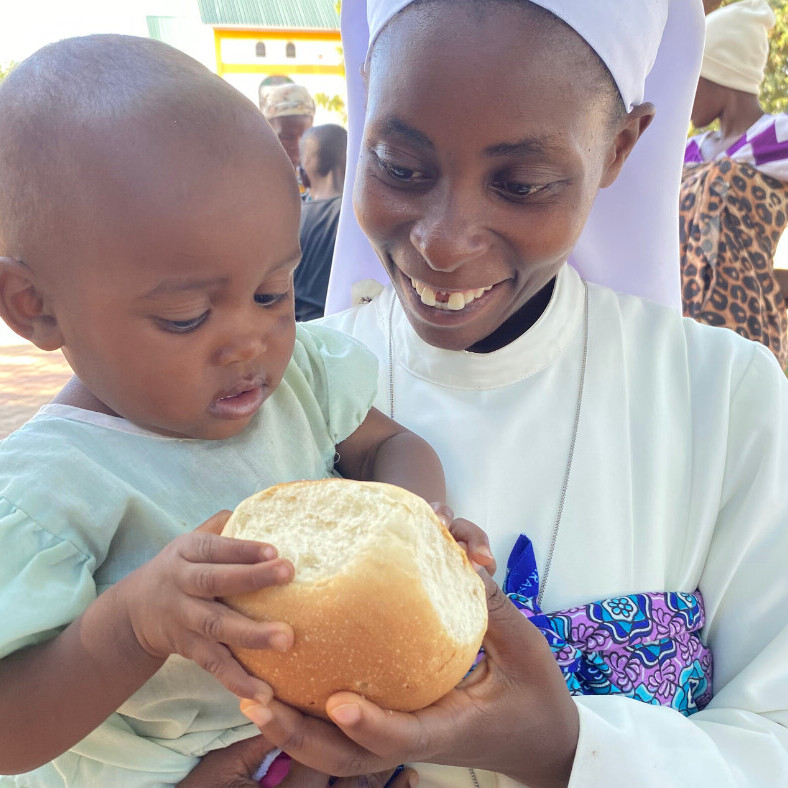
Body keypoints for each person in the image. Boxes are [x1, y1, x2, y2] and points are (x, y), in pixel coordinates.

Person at [214, 0, 788, 785]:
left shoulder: (725, 399)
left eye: (522, 184)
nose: (444, 242)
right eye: (401, 168)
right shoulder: (273, 388)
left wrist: (564, 749)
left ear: (619, 149)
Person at [0, 35, 493, 787]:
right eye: (187, 316)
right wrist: (133, 624)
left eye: (272, 293)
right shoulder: (47, 492)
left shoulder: (295, 381)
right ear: (35, 306)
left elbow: (391, 447)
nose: (250, 342)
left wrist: (416, 524)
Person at [681, 0, 788, 368]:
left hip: (750, 332)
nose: (684, 92)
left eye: (693, 78)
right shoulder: (690, 151)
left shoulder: (775, 138)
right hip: (682, 329)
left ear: (720, 76)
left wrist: (779, 283)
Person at [296, 125, 348, 321]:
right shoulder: (362, 217)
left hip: (295, 332)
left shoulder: (287, 216)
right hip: (344, 329)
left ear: (303, 176)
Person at [260, 83, 316, 174]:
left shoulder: (316, 175)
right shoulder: (255, 174)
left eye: (305, 136)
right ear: (268, 134)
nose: (298, 145)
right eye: (287, 137)